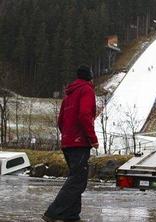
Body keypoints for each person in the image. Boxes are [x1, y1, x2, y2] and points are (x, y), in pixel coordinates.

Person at [42, 65, 99, 222]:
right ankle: (53, 212)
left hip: (68, 142)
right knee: (77, 180)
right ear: (90, 77)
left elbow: (61, 121)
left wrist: (67, 136)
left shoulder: (68, 95)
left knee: (76, 178)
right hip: (80, 143)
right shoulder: (87, 90)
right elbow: (84, 115)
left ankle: (72, 215)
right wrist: (92, 138)